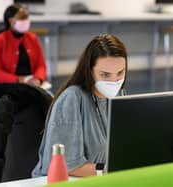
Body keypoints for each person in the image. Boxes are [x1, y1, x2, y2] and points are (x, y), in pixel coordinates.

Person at [32, 34, 128, 177]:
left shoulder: (119, 95)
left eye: (120, 73)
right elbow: (68, 166)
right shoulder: (72, 99)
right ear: (89, 71)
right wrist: (111, 169)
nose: (115, 81)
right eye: (105, 75)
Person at [0, 4, 46, 87]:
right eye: (21, 18)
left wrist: (38, 79)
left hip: (30, 85)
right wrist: (19, 80)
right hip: (5, 86)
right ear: (10, 20)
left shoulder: (32, 38)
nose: (25, 21)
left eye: (26, 18)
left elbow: (41, 65)